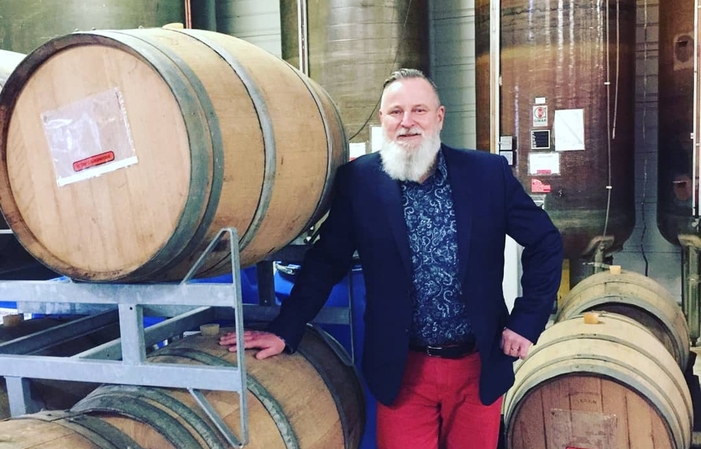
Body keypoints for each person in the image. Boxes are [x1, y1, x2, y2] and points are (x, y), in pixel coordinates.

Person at [220, 68, 563, 449]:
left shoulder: (486, 174)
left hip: (477, 364)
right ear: (382, 119)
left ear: (439, 117)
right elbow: (327, 260)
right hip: (402, 370)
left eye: (419, 110)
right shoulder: (359, 180)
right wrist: (285, 329)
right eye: (396, 112)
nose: (407, 121)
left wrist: (526, 320)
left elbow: (545, 242)